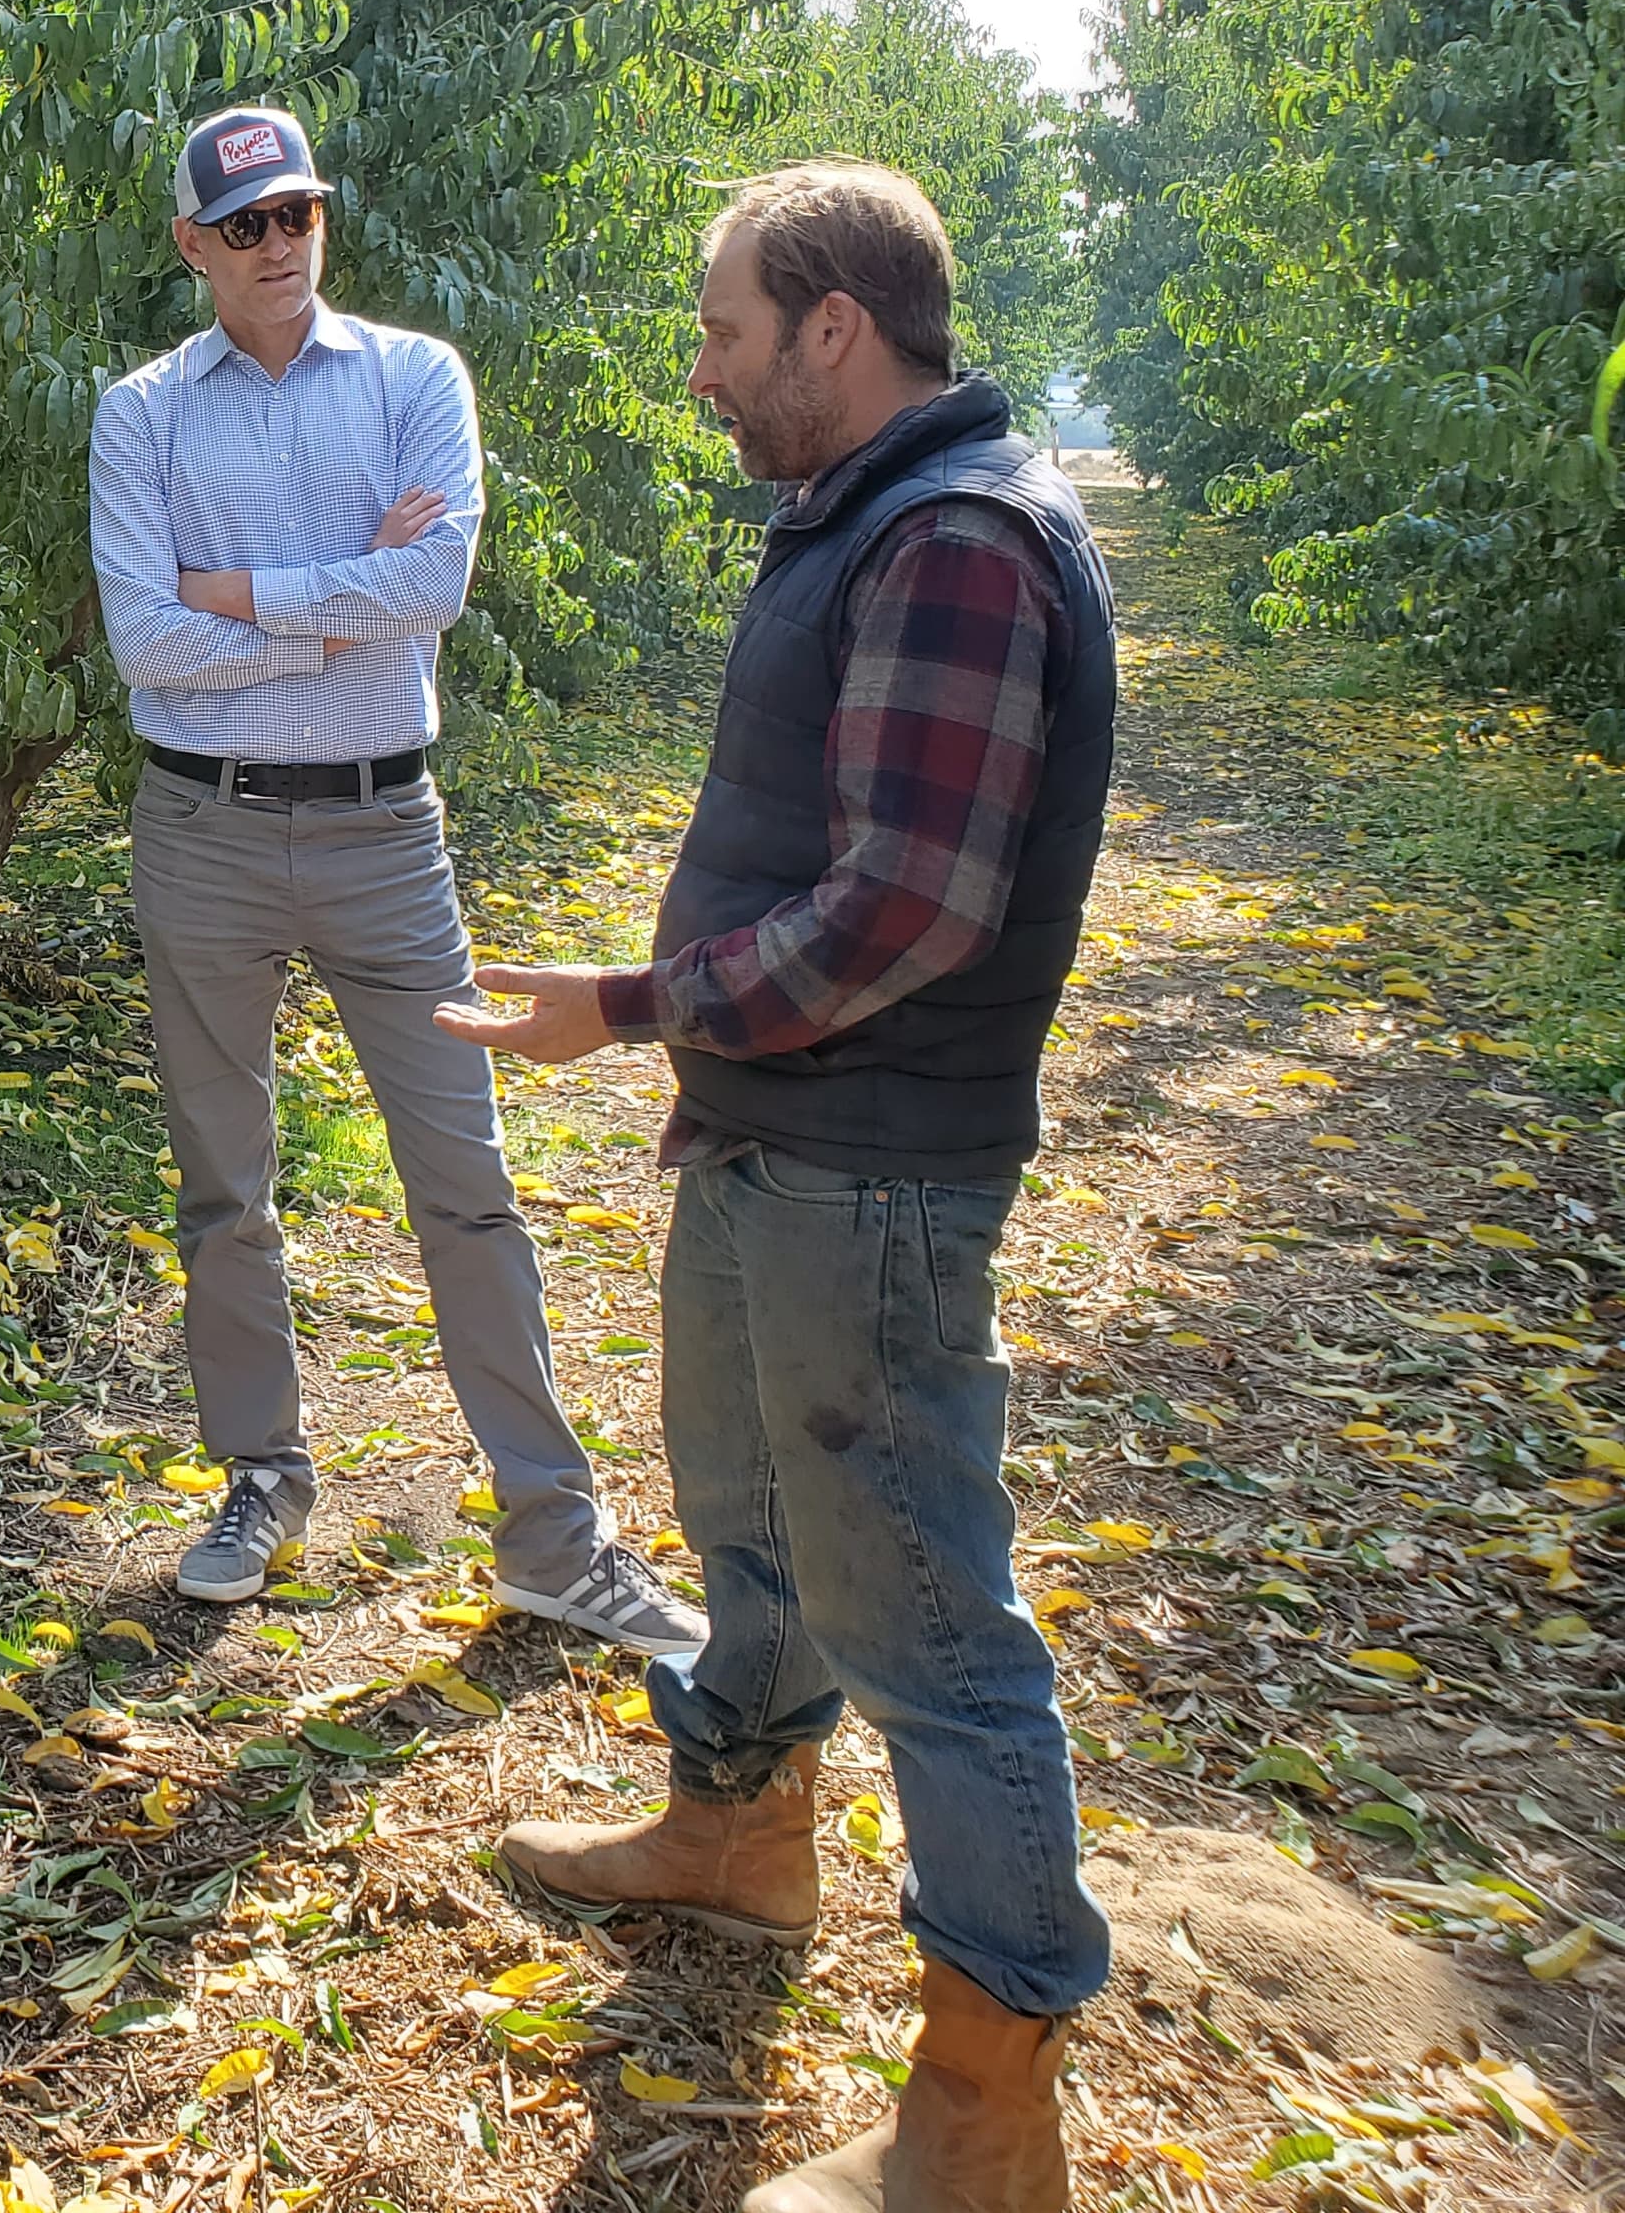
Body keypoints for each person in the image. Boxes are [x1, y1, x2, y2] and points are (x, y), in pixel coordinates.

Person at [442, 161, 1118, 2213]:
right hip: (778, 1147)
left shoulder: (963, 540)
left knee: (923, 1617)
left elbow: (908, 905)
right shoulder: (866, 518)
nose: (706, 371)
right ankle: (740, 1832)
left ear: (836, 327)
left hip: (876, 1177)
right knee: (745, 1507)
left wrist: (639, 1005)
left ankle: (987, 2109)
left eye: (727, 330)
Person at [86, 102, 703, 1656]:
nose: (277, 245)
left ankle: (554, 1535)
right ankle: (259, 1478)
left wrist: (246, 597)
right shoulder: (142, 413)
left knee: (468, 1186)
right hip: (203, 834)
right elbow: (146, 640)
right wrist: (339, 601)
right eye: (243, 226)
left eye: (296, 214)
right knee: (225, 1189)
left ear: (322, 222)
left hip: (384, 836)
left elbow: (435, 579)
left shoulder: (420, 378)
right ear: (192, 247)